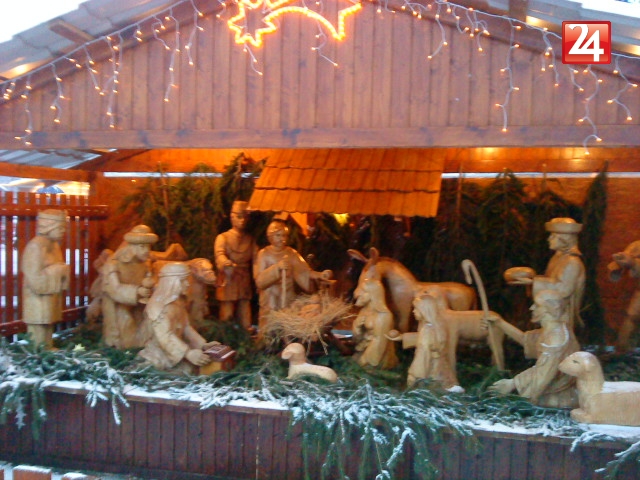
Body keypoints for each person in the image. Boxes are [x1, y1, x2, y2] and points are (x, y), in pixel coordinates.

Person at [485, 289, 579, 408]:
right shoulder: (550, 331)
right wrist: (499, 323)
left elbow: (543, 374)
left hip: (555, 397)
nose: (531, 308)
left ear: (549, 309)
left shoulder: (556, 339)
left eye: (537, 305)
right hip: (549, 390)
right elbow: (526, 340)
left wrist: (513, 384)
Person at [505, 217, 585, 330]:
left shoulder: (572, 261)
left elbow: (563, 289)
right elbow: (550, 280)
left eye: (553, 236)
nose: (548, 239)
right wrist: (532, 281)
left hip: (559, 316)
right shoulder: (557, 258)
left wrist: (534, 282)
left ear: (564, 239)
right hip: (550, 315)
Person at [138, 262, 219, 374]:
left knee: (194, 368)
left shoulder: (178, 302)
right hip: (160, 353)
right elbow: (165, 336)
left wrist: (202, 345)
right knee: (186, 371)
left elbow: (186, 327)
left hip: (176, 351)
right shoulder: (158, 307)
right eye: (183, 280)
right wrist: (188, 353)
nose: (187, 284)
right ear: (172, 282)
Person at [253, 219, 332, 332]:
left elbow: (304, 272)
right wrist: (277, 268)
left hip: (287, 299)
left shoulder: (291, 253)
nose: (282, 239)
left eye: (285, 235)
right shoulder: (264, 254)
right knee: (269, 329)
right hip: (271, 300)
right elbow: (260, 281)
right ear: (270, 236)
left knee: (287, 328)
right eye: (278, 235)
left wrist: (319, 275)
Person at [101, 225, 158, 349]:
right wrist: (137, 291)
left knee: (151, 323)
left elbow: (149, 282)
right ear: (131, 246)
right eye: (142, 247)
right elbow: (114, 290)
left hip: (139, 306)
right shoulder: (113, 265)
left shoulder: (145, 264)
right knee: (126, 336)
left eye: (148, 246)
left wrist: (152, 289)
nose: (147, 251)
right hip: (118, 307)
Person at [21, 209, 70, 348]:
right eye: (60, 228)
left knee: (47, 325)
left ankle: (47, 348)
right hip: (37, 297)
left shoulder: (54, 246)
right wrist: (58, 270)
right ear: (49, 227)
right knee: (39, 327)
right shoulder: (35, 246)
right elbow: (35, 278)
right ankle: (38, 352)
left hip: (49, 297)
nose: (63, 231)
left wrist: (61, 270)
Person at [213, 201, 258, 330]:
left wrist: (258, 277)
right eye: (239, 217)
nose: (242, 220)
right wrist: (225, 262)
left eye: (245, 217)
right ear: (232, 217)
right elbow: (219, 254)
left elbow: (257, 260)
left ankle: (245, 332)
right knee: (227, 308)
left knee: (245, 306)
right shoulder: (223, 238)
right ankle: (226, 333)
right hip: (229, 276)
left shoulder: (250, 240)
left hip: (244, 278)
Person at [608, 240, 640, 351]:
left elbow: (632, 263)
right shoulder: (637, 245)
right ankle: (624, 350)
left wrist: (633, 263)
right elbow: (618, 265)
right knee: (631, 319)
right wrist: (619, 264)